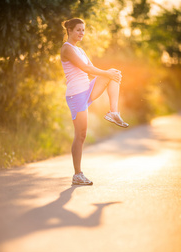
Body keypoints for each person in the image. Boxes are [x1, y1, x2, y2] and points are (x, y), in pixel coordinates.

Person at [60, 18, 129, 186]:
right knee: (81, 135)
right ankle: (77, 174)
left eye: (83, 30)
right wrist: (106, 73)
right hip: (76, 95)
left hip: (87, 90)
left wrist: (108, 74)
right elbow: (87, 69)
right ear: (69, 30)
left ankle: (113, 112)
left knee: (114, 73)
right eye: (78, 30)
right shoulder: (67, 49)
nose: (81, 33)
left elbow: (92, 71)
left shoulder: (81, 50)